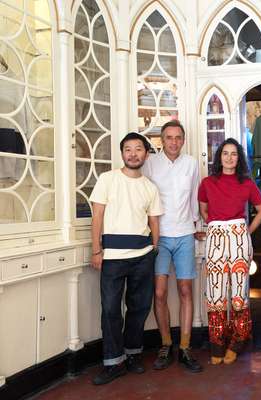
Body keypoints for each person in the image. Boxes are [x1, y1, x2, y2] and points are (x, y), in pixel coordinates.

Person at [89, 132, 162, 385]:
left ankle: (133, 354)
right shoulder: (107, 179)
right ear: (122, 153)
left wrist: (153, 249)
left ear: (146, 153)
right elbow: (97, 216)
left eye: (138, 149)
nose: (133, 153)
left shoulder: (149, 187)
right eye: (128, 149)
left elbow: (154, 221)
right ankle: (113, 362)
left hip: (142, 256)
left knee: (139, 308)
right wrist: (96, 250)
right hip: (112, 257)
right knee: (110, 310)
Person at [198, 138, 261, 365]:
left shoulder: (246, 183)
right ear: (219, 157)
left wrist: (246, 230)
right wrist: (217, 227)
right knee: (215, 291)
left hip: (239, 237)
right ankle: (217, 343)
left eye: (234, 154)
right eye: (225, 153)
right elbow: (204, 209)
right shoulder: (207, 182)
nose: (229, 158)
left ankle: (238, 341)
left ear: (239, 158)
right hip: (215, 235)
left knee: (239, 291)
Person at [142, 120, 202, 373]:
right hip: (159, 236)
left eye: (178, 137)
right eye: (169, 137)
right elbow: (143, 197)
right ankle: (166, 344)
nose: (174, 142)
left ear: (183, 140)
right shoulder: (150, 164)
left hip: (186, 233)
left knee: (186, 289)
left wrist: (197, 222)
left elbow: (194, 196)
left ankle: (185, 347)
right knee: (159, 293)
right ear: (162, 140)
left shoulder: (191, 164)